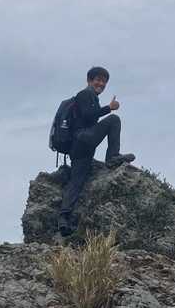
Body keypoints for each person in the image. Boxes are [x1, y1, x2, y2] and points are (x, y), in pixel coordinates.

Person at [58, 66, 135, 237]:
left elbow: (88, 116)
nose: (101, 83)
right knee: (114, 120)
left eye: (104, 81)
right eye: (98, 80)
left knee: (77, 181)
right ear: (89, 80)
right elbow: (88, 115)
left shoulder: (90, 97)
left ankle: (64, 218)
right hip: (83, 138)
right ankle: (112, 157)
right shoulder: (85, 94)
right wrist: (109, 108)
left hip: (78, 148)